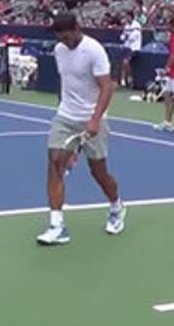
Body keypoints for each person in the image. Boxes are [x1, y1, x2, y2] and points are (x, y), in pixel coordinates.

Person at [36, 13, 124, 246]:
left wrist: (95, 120)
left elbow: (107, 87)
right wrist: (63, 110)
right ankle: (57, 226)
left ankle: (117, 207)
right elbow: (67, 83)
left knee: (99, 173)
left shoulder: (94, 50)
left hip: (92, 118)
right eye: (58, 37)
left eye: (65, 35)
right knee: (55, 162)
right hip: (65, 116)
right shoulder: (59, 51)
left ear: (76, 28)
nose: (62, 40)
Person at [119, 12, 143, 89]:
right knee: (123, 63)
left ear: (131, 17)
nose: (126, 18)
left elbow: (133, 37)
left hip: (134, 47)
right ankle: (123, 81)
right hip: (127, 46)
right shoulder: (127, 26)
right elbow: (122, 36)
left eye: (127, 17)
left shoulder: (137, 25)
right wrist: (124, 37)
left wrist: (126, 36)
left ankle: (130, 79)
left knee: (126, 62)